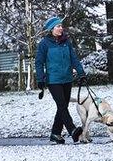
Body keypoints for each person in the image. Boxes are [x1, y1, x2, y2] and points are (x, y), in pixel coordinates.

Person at [35, 16, 87, 144]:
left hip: (67, 78)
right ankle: (72, 130)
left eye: (61, 26)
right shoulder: (44, 44)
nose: (60, 28)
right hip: (53, 80)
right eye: (58, 26)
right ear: (51, 29)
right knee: (62, 105)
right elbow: (39, 63)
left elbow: (73, 58)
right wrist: (40, 79)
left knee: (62, 106)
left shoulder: (66, 42)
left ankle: (55, 133)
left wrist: (81, 73)